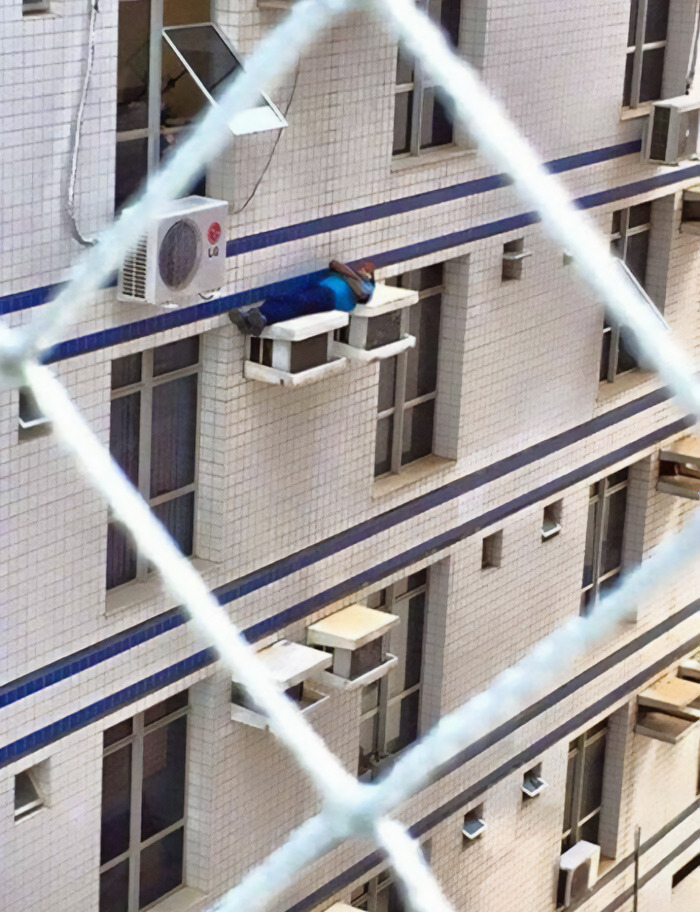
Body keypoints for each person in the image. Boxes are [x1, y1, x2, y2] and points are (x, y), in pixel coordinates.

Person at [229, 260, 375, 336]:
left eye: (366, 270)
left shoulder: (367, 287)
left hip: (328, 296)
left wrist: (357, 275)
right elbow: (334, 265)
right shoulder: (349, 279)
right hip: (319, 288)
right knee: (287, 298)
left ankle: (263, 318)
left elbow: (337, 266)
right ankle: (251, 318)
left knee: (297, 302)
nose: (362, 269)